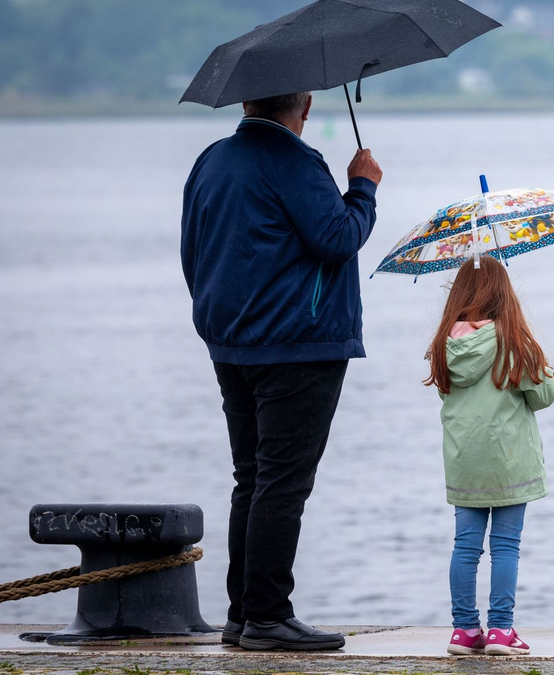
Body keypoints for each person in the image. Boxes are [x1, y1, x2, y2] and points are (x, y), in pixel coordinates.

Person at [180, 91, 383, 651]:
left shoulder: (211, 160)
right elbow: (338, 238)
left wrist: (218, 321)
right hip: (300, 345)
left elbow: (191, 252)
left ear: (245, 99)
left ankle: (243, 615)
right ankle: (269, 616)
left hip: (231, 344)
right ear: (308, 104)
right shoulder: (297, 161)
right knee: (283, 482)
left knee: (252, 477)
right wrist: (362, 187)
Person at [424, 256, 554, 657]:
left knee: (465, 546)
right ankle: (501, 630)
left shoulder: (444, 345)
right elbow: (544, 395)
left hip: (465, 461)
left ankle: (464, 631)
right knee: (505, 546)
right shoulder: (512, 342)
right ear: (504, 295)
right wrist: (540, 362)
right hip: (509, 462)